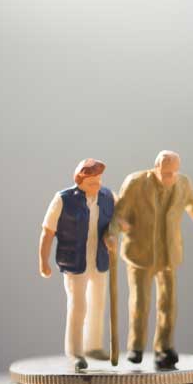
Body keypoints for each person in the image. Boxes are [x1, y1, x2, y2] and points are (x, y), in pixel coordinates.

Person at [108, 150, 193, 368]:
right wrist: (113, 232)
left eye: (175, 172)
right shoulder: (136, 183)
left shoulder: (183, 184)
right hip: (140, 253)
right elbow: (118, 214)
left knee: (168, 303)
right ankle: (136, 347)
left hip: (168, 255)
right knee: (140, 302)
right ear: (156, 168)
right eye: (167, 173)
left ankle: (164, 347)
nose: (171, 177)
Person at [39, 158, 115, 371]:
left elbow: (118, 220)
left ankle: (93, 346)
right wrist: (43, 261)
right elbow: (47, 232)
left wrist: (116, 233)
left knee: (98, 305)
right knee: (78, 307)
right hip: (74, 262)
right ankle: (75, 351)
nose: (97, 185)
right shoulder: (63, 199)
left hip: (99, 260)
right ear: (80, 180)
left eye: (99, 180)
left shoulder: (107, 197)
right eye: (92, 182)